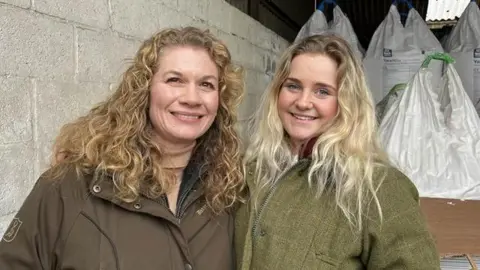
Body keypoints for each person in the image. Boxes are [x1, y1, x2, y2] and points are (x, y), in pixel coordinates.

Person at [0, 26, 245, 270]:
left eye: (206, 84)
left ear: (220, 99)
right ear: (144, 89)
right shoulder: (72, 185)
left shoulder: (228, 189)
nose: (192, 98)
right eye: (175, 80)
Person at [235, 34, 441, 269]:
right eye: (293, 86)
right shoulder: (252, 168)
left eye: (322, 91)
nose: (303, 102)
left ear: (347, 102)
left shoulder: (378, 187)